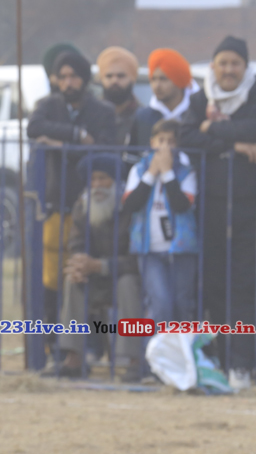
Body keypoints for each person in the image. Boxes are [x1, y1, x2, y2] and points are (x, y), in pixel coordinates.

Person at [180, 35, 256, 388]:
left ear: (245, 67)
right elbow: (186, 135)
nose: (228, 70)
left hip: (249, 210)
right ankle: (223, 360)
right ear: (213, 66)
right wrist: (236, 144)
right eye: (223, 63)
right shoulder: (201, 99)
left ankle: (243, 363)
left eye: (235, 63)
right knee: (214, 286)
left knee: (244, 287)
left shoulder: (252, 95)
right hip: (210, 210)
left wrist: (212, 127)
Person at [28, 51, 117, 328]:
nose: (68, 82)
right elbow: (34, 128)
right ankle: (52, 335)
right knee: (53, 274)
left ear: (85, 79)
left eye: (74, 76)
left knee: (86, 271)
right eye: (63, 76)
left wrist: (59, 145)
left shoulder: (103, 111)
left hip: (93, 202)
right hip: (56, 201)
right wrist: (77, 136)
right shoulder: (47, 105)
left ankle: (90, 340)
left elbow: (102, 150)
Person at [54, 155, 143, 381]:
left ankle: (135, 359)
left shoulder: (130, 206)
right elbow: (75, 243)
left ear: (116, 181)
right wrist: (78, 264)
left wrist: (101, 266)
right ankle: (74, 357)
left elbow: (137, 260)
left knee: (127, 284)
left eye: (103, 179)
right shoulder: (82, 205)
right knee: (73, 281)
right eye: (92, 180)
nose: (97, 185)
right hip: (94, 278)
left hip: (125, 275)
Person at [120, 120, 197, 327]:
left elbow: (182, 205)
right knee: (160, 302)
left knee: (182, 303)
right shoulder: (138, 170)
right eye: (161, 140)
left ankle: (181, 346)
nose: (165, 147)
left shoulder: (186, 171)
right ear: (152, 142)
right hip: (149, 249)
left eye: (171, 141)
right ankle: (158, 347)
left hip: (181, 249)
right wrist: (152, 173)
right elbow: (131, 204)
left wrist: (168, 172)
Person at [131, 49, 195, 149]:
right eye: (153, 79)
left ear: (178, 80)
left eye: (163, 79)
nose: (157, 86)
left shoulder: (196, 114)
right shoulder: (143, 117)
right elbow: (133, 154)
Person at [97, 46, 142, 149]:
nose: (114, 81)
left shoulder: (142, 117)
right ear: (101, 79)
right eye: (109, 76)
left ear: (132, 79)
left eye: (121, 76)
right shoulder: (91, 113)